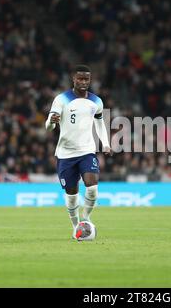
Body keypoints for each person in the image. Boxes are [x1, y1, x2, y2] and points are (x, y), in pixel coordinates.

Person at [45, 65, 112, 239]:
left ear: (90, 80)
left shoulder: (97, 101)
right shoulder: (61, 99)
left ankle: (86, 218)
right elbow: (49, 126)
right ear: (73, 79)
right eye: (80, 78)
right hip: (65, 154)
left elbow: (99, 123)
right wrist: (52, 122)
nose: (83, 82)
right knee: (72, 195)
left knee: (92, 188)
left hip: (87, 151)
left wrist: (105, 143)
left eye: (86, 79)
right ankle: (76, 226)